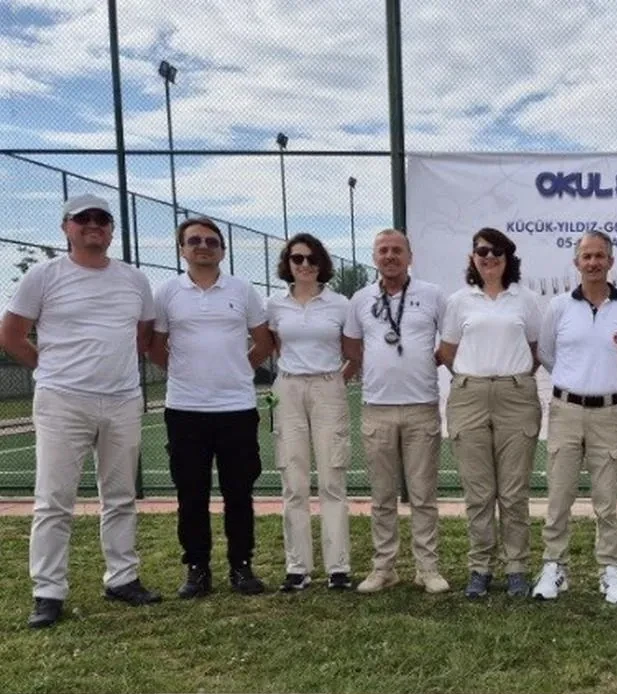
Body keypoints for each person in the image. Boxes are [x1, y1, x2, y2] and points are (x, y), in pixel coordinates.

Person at [1, 194, 162, 628]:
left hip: (123, 399)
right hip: (62, 400)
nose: (94, 224)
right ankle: (48, 592)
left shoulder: (135, 280)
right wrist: (50, 369)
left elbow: (142, 336)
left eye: (102, 219)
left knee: (120, 496)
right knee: (54, 499)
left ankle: (122, 578)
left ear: (112, 230)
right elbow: (12, 334)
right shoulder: (43, 275)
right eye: (83, 218)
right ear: (66, 228)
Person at [150, 217, 273, 598]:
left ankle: (241, 566)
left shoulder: (243, 290)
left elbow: (264, 342)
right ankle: (197, 569)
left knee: (239, 492)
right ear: (182, 249)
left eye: (211, 241)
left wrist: (239, 370)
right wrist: (184, 373)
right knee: (191, 493)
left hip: (237, 409)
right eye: (194, 241)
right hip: (185, 409)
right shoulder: (167, 292)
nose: (203, 246)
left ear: (223, 249)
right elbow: (155, 346)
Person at [533, 230, 617, 604]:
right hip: (566, 410)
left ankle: (610, 570)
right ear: (576, 262)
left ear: (611, 261)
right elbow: (547, 354)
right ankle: (554, 566)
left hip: (609, 412)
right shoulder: (559, 307)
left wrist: (602, 382)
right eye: (587, 256)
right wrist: (576, 382)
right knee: (559, 495)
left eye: (600, 256)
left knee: (606, 500)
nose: (593, 262)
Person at [342, 229, 451, 595]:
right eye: (383, 250)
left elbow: (449, 341)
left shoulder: (432, 295)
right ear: (375, 257)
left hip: (422, 407)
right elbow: (352, 347)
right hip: (377, 408)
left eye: (397, 250)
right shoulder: (361, 299)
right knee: (382, 497)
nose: (390, 256)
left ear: (409, 257)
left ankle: (427, 568)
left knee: (423, 495)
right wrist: (381, 365)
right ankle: (383, 567)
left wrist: (423, 361)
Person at [438, 228, 542, 599]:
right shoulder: (459, 301)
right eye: (482, 251)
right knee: (479, 491)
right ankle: (480, 567)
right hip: (470, 396)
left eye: (497, 251)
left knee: (513, 492)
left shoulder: (526, 299)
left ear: (508, 257)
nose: (489, 257)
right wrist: (476, 380)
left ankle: (517, 568)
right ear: (473, 257)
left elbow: (534, 349)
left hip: (516, 396)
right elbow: (447, 352)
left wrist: (510, 380)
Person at [266, 234, 356, 592]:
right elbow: (275, 346)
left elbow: (353, 352)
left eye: (311, 258)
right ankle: (297, 567)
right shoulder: (274, 305)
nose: (305, 265)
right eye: (297, 258)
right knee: (294, 480)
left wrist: (333, 382)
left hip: (328, 387)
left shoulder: (340, 304)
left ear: (322, 263)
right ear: (287, 263)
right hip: (288, 389)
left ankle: (338, 567)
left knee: (332, 478)